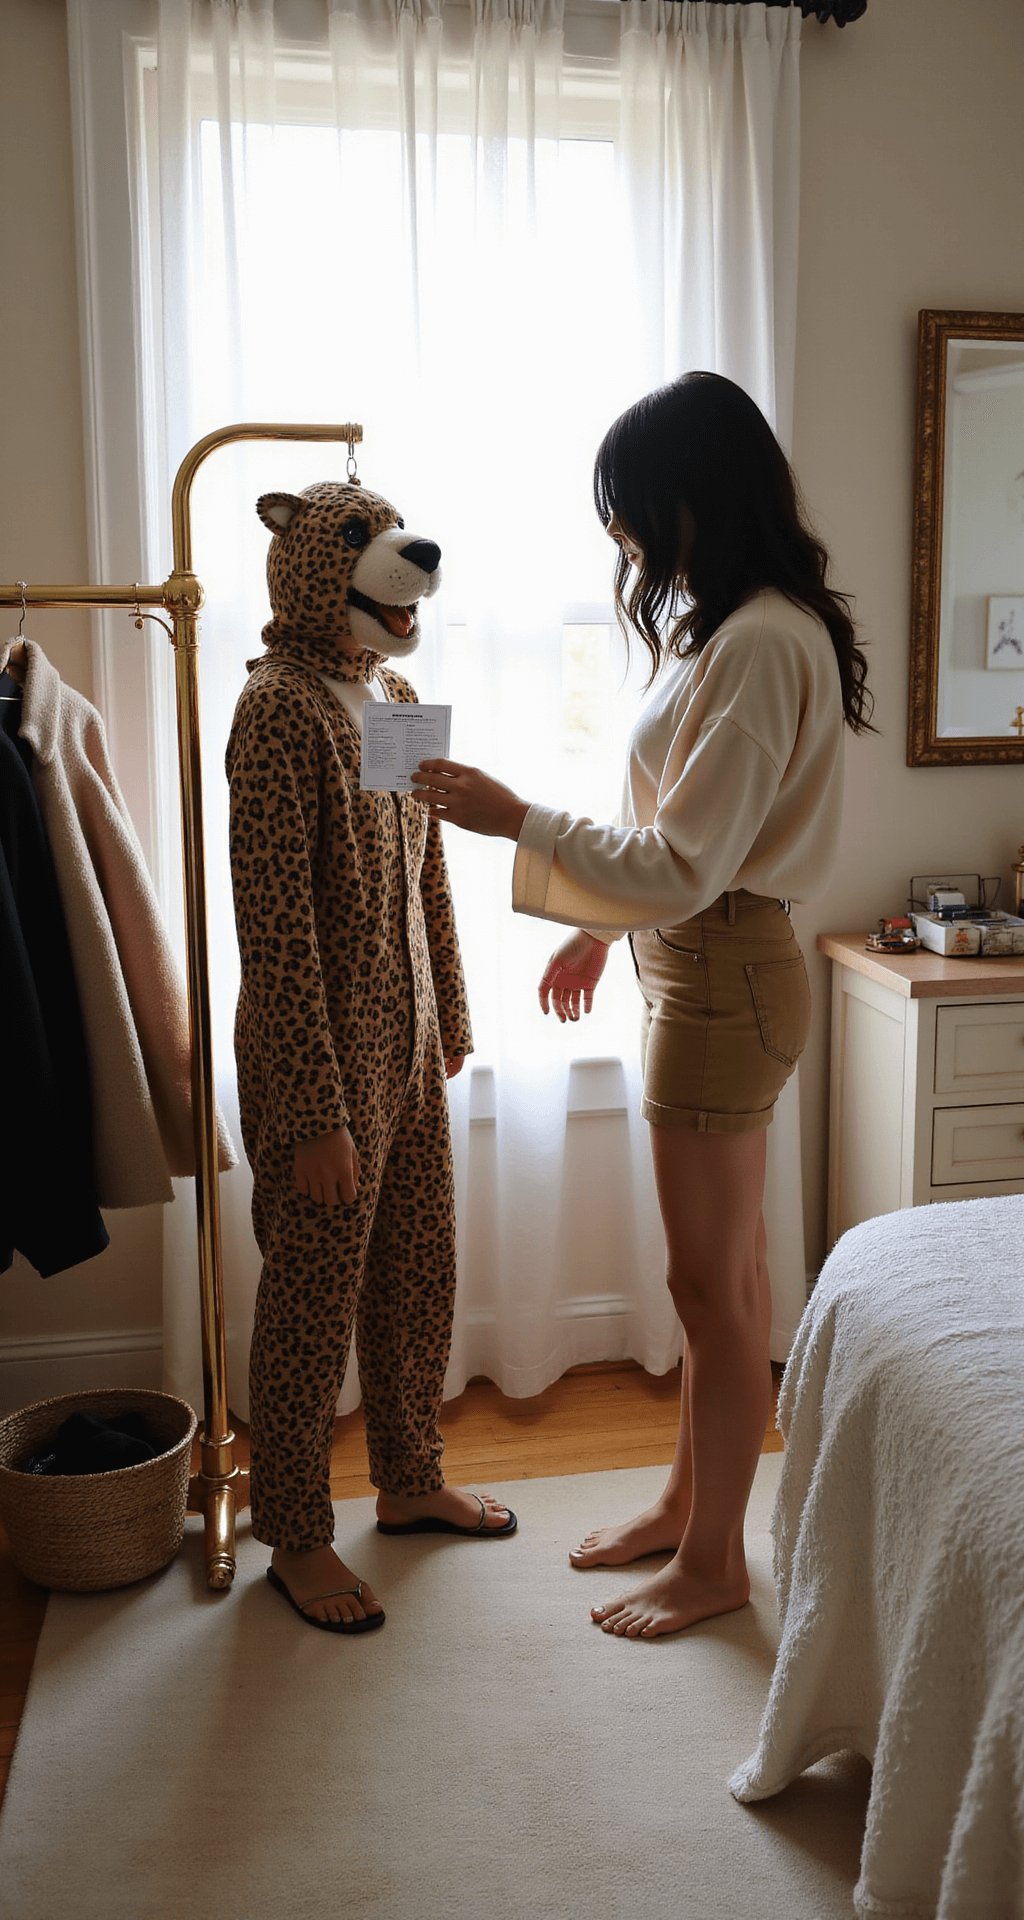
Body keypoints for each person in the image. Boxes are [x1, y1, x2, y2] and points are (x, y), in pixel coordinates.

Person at [411, 372, 872, 1640]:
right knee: (727, 1280)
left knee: (709, 1290)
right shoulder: (725, 630)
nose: (619, 536)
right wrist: (592, 931)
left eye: (628, 509)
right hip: (703, 960)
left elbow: (686, 864)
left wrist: (519, 821)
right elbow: (682, 838)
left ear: (691, 496)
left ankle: (716, 1560)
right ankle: (686, 1506)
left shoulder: (763, 640)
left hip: (722, 973)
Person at [227, 480, 516, 1639]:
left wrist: (448, 1011)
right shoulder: (276, 711)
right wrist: (310, 1110)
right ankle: (296, 1534)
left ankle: (407, 1482)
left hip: (408, 1049)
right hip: (322, 1071)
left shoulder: (393, 694)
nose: (394, 567)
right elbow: (275, 925)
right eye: (356, 542)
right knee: (309, 1302)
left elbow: (426, 870)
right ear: (309, 569)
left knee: (416, 1269)